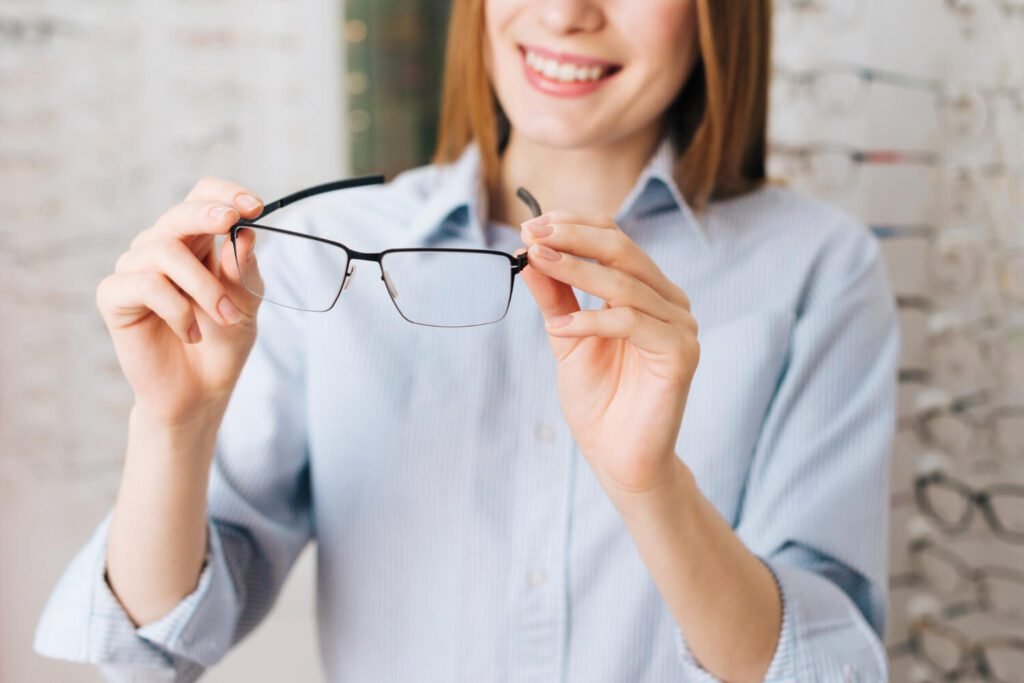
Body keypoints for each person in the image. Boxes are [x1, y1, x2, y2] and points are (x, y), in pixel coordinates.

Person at [35, 0, 898, 681]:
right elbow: (147, 649)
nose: (565, 13)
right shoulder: (322, 258)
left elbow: (824, 671)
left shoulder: (817, 267)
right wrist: (172, 424)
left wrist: (651, 484)